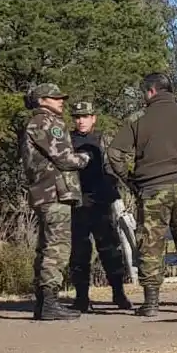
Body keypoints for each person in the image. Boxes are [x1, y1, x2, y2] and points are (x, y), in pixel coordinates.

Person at [106, 73, 177, 317]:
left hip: (151, 189)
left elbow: (115, 153)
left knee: (150, 244)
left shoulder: (138, 119)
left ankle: (150, 304)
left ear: (151, 92)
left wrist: (130, 179)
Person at [19, 83, 92, 321]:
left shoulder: (37, 123)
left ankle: (43, 302)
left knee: (46, 246)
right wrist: (85, 157)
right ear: (42, 100)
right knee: (57, 247)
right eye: (55, 97)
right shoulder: (46, 122)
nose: (61, 101)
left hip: (43, 193)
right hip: (54, 193)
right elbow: (64, 158)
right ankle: (49, 301)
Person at [68, 101, 133, 312]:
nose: (81, 120)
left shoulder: (103, 139)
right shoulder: (67, 141)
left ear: (93, 118)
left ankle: (118, 293)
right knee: (80, 252)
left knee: (110, 250)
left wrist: (114, 195)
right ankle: (81, 298)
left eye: (85, 116)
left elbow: (112, 168)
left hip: (102, 203)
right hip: (78, 203)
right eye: (77, 117)